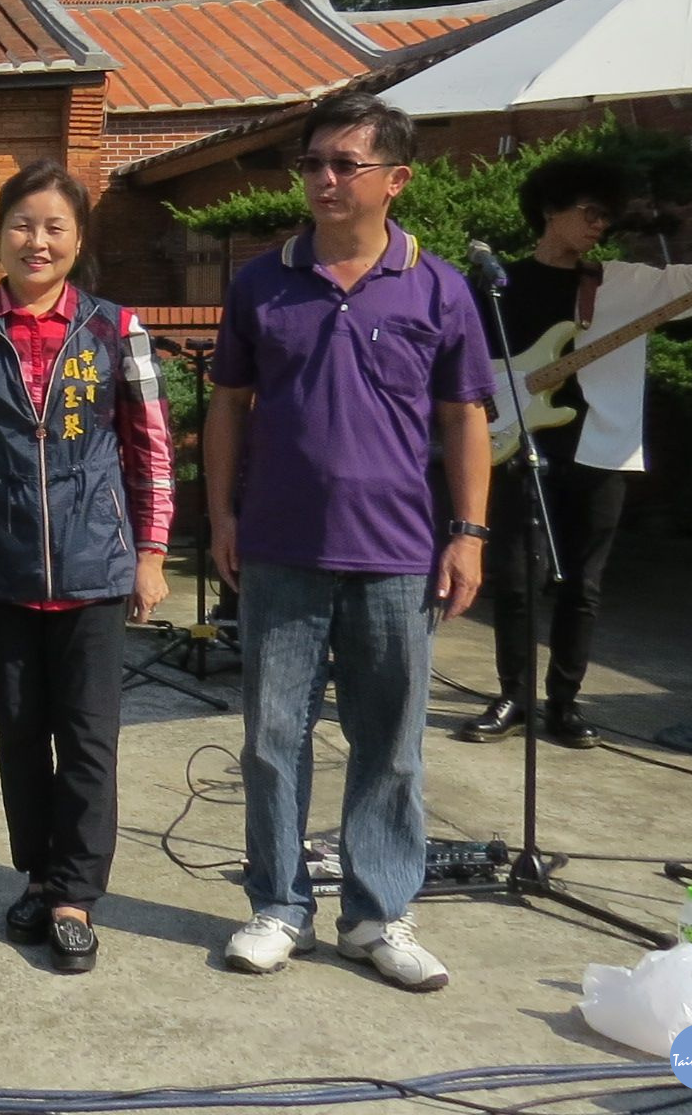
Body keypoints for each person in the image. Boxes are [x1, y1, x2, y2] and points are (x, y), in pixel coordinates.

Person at [205, 91, 490, 992]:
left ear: (395, 181)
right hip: (281, 546)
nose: (325, 180)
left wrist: (470, 533)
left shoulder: (439, 286)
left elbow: (465, 418)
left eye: (346, 165)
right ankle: (279, 904)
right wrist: (220, 517)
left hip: (399, 551)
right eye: (314, 164)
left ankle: (377, 914)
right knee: (270, 736)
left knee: (392, 744)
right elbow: (227, 407)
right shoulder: (262, 281)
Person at [0, 161, 172, 973]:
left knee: (90, 740)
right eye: (23, 225)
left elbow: (149, 445)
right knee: (19, 737)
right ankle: (37, 872)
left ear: (79, 240)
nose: (38, 240)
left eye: (56, 226)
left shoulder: (114, 327)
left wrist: (153, 550)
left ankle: (73, 896)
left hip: (96, 567)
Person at [462, 159, 692, 748]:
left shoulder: (620, 282)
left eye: (607, 216)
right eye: (590, 212)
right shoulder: (497, 285)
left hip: (600, 445)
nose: (600, 225)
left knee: (584, 583)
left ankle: (565, 703)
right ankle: (513, 696)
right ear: (551, 209)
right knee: (516, 577)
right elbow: (463, 360)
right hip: (517, 441)